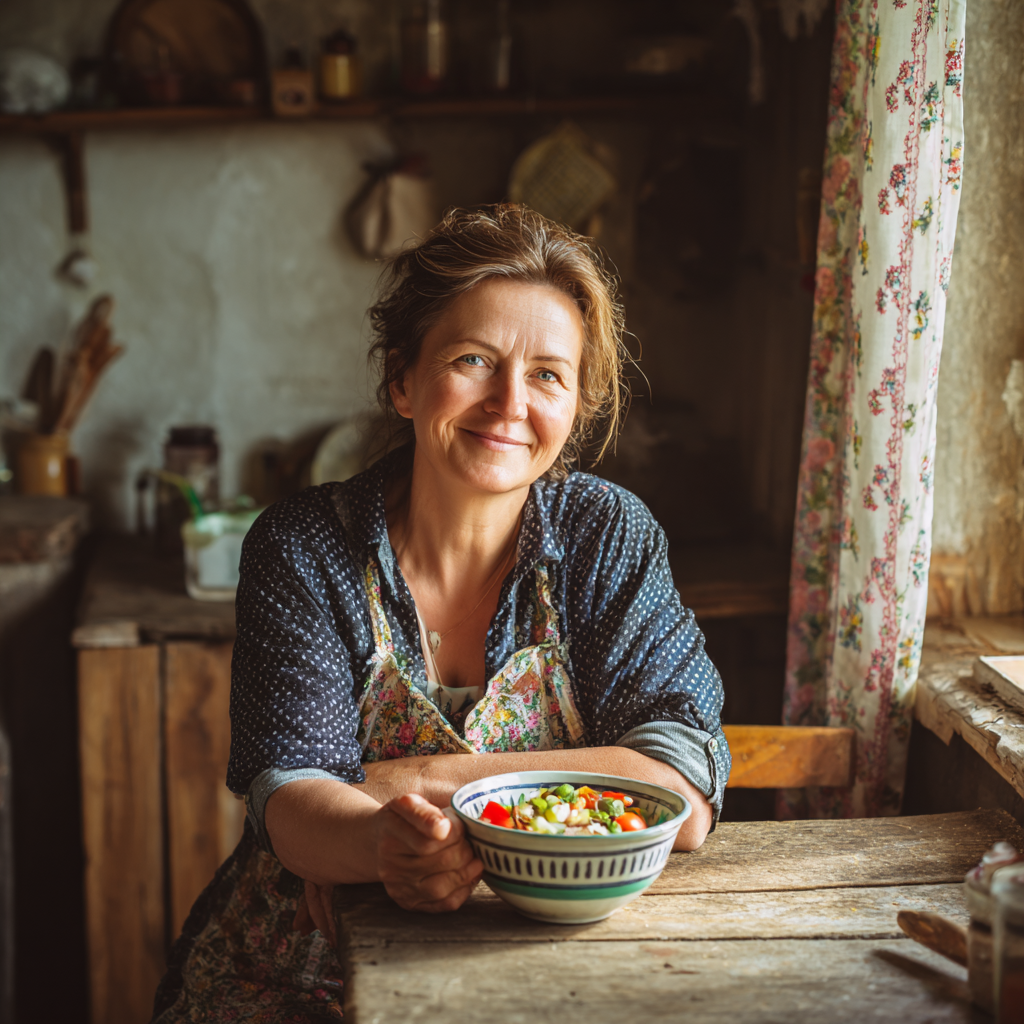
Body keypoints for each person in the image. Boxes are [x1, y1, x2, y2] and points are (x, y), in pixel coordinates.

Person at [152, 204, 730, 1023]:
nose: (509, 403)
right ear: (403, 380)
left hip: (540, 963)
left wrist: (406, 782)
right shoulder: (305, 545)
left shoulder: (608, 534)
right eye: (472, 359)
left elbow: (682, 782)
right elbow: (290, 799)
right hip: (300, 968)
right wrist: (375, 844)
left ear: (574, 410)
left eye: (547, 375)